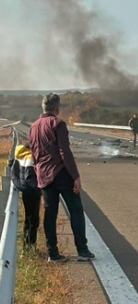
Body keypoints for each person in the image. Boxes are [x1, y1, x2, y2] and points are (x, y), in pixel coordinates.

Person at [29, 93, 95, 262]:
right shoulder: (58, 124)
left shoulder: (33, 126)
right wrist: (76, 176)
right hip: (61, 173)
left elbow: (34, 153)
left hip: (43, 175)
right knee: (76, 210)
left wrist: (39, 171)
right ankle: (82, 250)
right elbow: (64, 151)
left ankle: (53, 253)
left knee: (50, 214)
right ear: (57, 108)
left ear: (43, 107)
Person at [9, 142, 41, 250]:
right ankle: (29, 247)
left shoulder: (20, 155)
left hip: (25, 190)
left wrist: (19, 185)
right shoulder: (30, 157)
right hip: (31, 191)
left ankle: (27, 247)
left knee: (29, 219)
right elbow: (29, 177)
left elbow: (11, 168)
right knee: (33, 220)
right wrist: (41, 190)